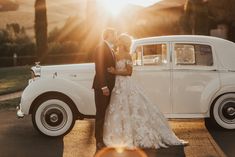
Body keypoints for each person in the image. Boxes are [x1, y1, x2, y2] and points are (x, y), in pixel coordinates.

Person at [103, 33, 188, 149]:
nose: (116, 41)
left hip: (126, 84)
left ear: (122, 43)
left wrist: (115, 72)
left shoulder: (127, 55)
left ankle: (137, 135)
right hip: (117, 86)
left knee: (131, 108)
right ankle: (120, 135)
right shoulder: (114, 54)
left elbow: (129, 72)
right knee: (119, 109)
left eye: (118, 40)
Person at [92, 28, 117, 151]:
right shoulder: (101, 47)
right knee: (100, 113)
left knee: (105, 113)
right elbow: (99, 68)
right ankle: (99, 141)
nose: (115, 36)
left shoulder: (110, 48)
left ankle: (104, 138)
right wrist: (103, 86)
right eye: (114, 34)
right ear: (108, 35)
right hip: (102, 87)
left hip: (109, 86)